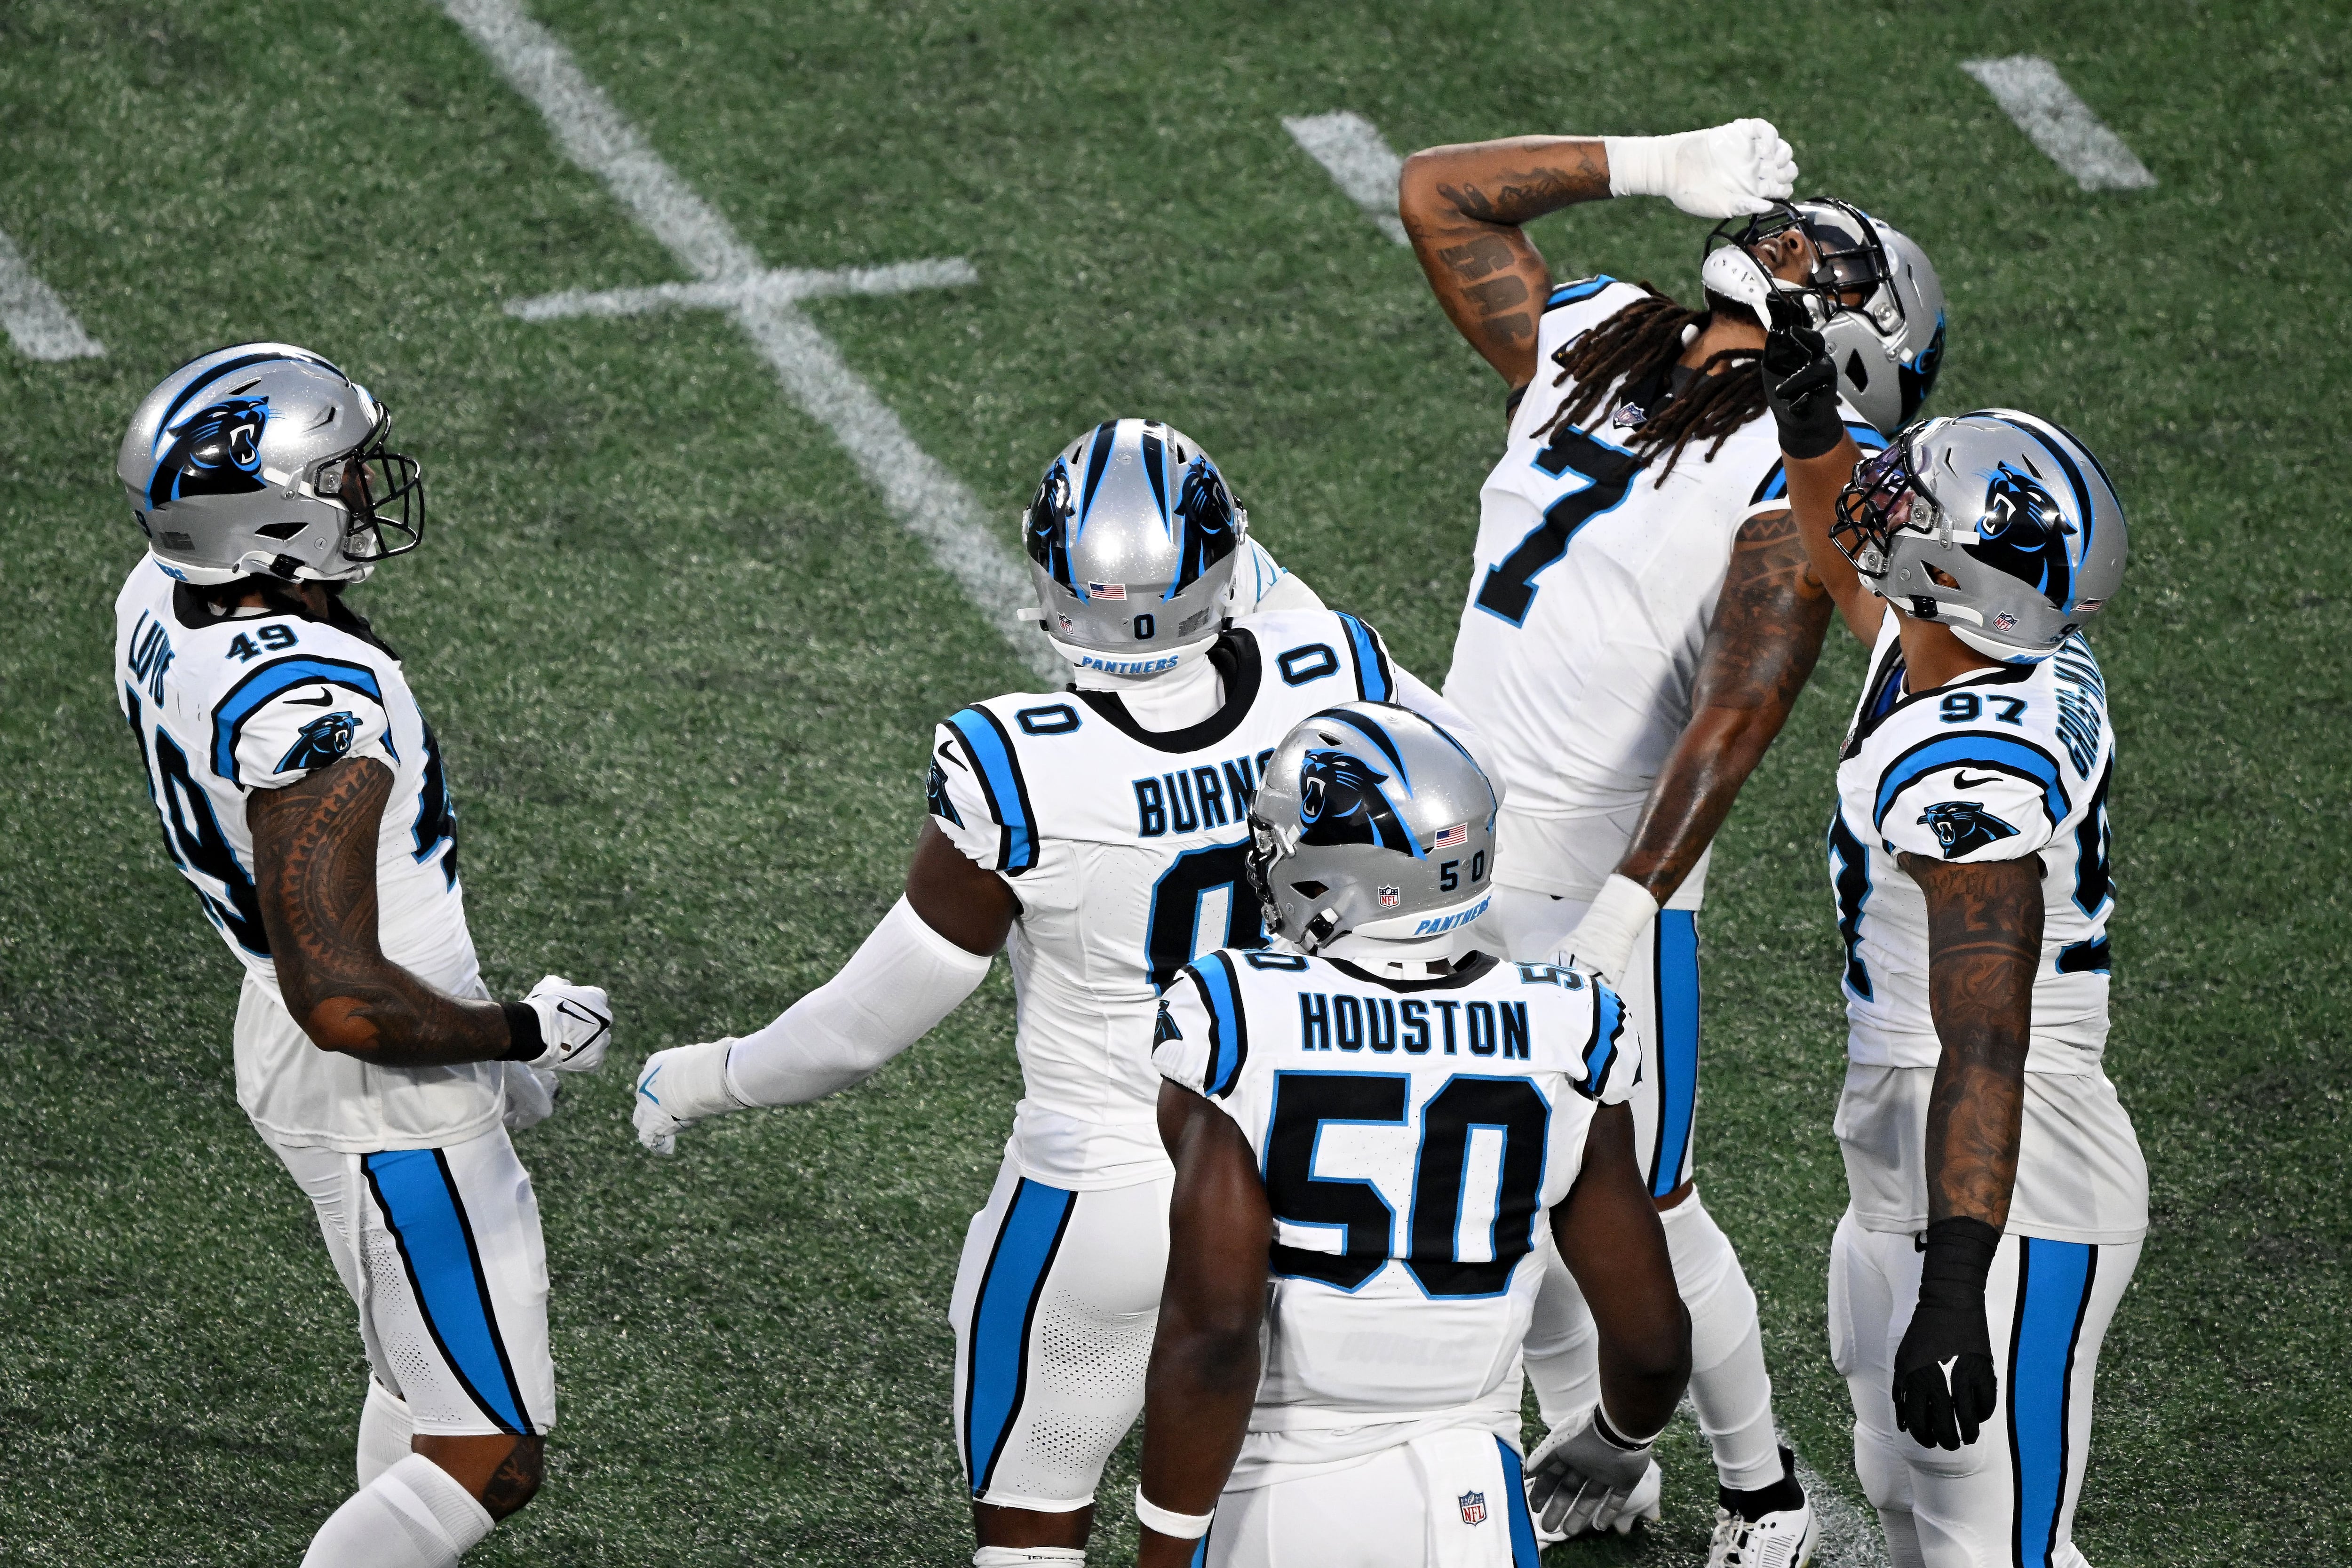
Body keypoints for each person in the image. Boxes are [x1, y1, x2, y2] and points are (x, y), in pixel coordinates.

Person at [631, 419, 1478, 1568]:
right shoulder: (1336, 666)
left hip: (1104, 1186)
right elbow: (1462, 795)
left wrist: (703, 1075)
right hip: (1314, 1164)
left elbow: (862, 1026)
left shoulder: (1019, 759)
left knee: (1031, 1517)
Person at [1396, 120, 1947, 1559]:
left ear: (1853, 340)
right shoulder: (1598, 337)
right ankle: (1602, 1454)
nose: (1784, 238)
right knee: (1508, 1172)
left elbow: (1740, 702)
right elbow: (1435, 193)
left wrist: (1636, 899)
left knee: (1645, 1193)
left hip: (1602, 866)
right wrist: (1649, 160)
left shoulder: (1803, 465)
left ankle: (1762, 1494)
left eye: (1823, 257)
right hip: (1447, 831)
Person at [111, 343, 614, 1568]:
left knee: (417, 1371)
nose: (364, 493)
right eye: (336, 478)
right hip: (386, 1077)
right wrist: (519, 1031)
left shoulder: (156, 592)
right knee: (488, 1449)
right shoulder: (312, 706)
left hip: (301, 1034)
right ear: (267, 516)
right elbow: (341, 994)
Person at [1132, 701, 1689, 1568]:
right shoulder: (1571, 1023)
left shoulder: (1236, 1010)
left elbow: (1212, 1331)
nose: (1273, 852)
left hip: (1277, 1491)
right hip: (1471, 1489)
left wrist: (1164, 1549)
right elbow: (1652, 1340)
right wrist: (1619, 1435)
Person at [1762, 318, 2144, 1568]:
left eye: (1908, 498)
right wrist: (1810, 421)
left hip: (2014, 1165)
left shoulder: (1973, 760)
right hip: (1911, 1133)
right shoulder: (1948, 640)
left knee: (1999, 1546)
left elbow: (1986, 1025)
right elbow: (1838, 550)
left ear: (1956, 571)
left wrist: (1954, 1283)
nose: (1881, 495)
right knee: (1901, 1493)